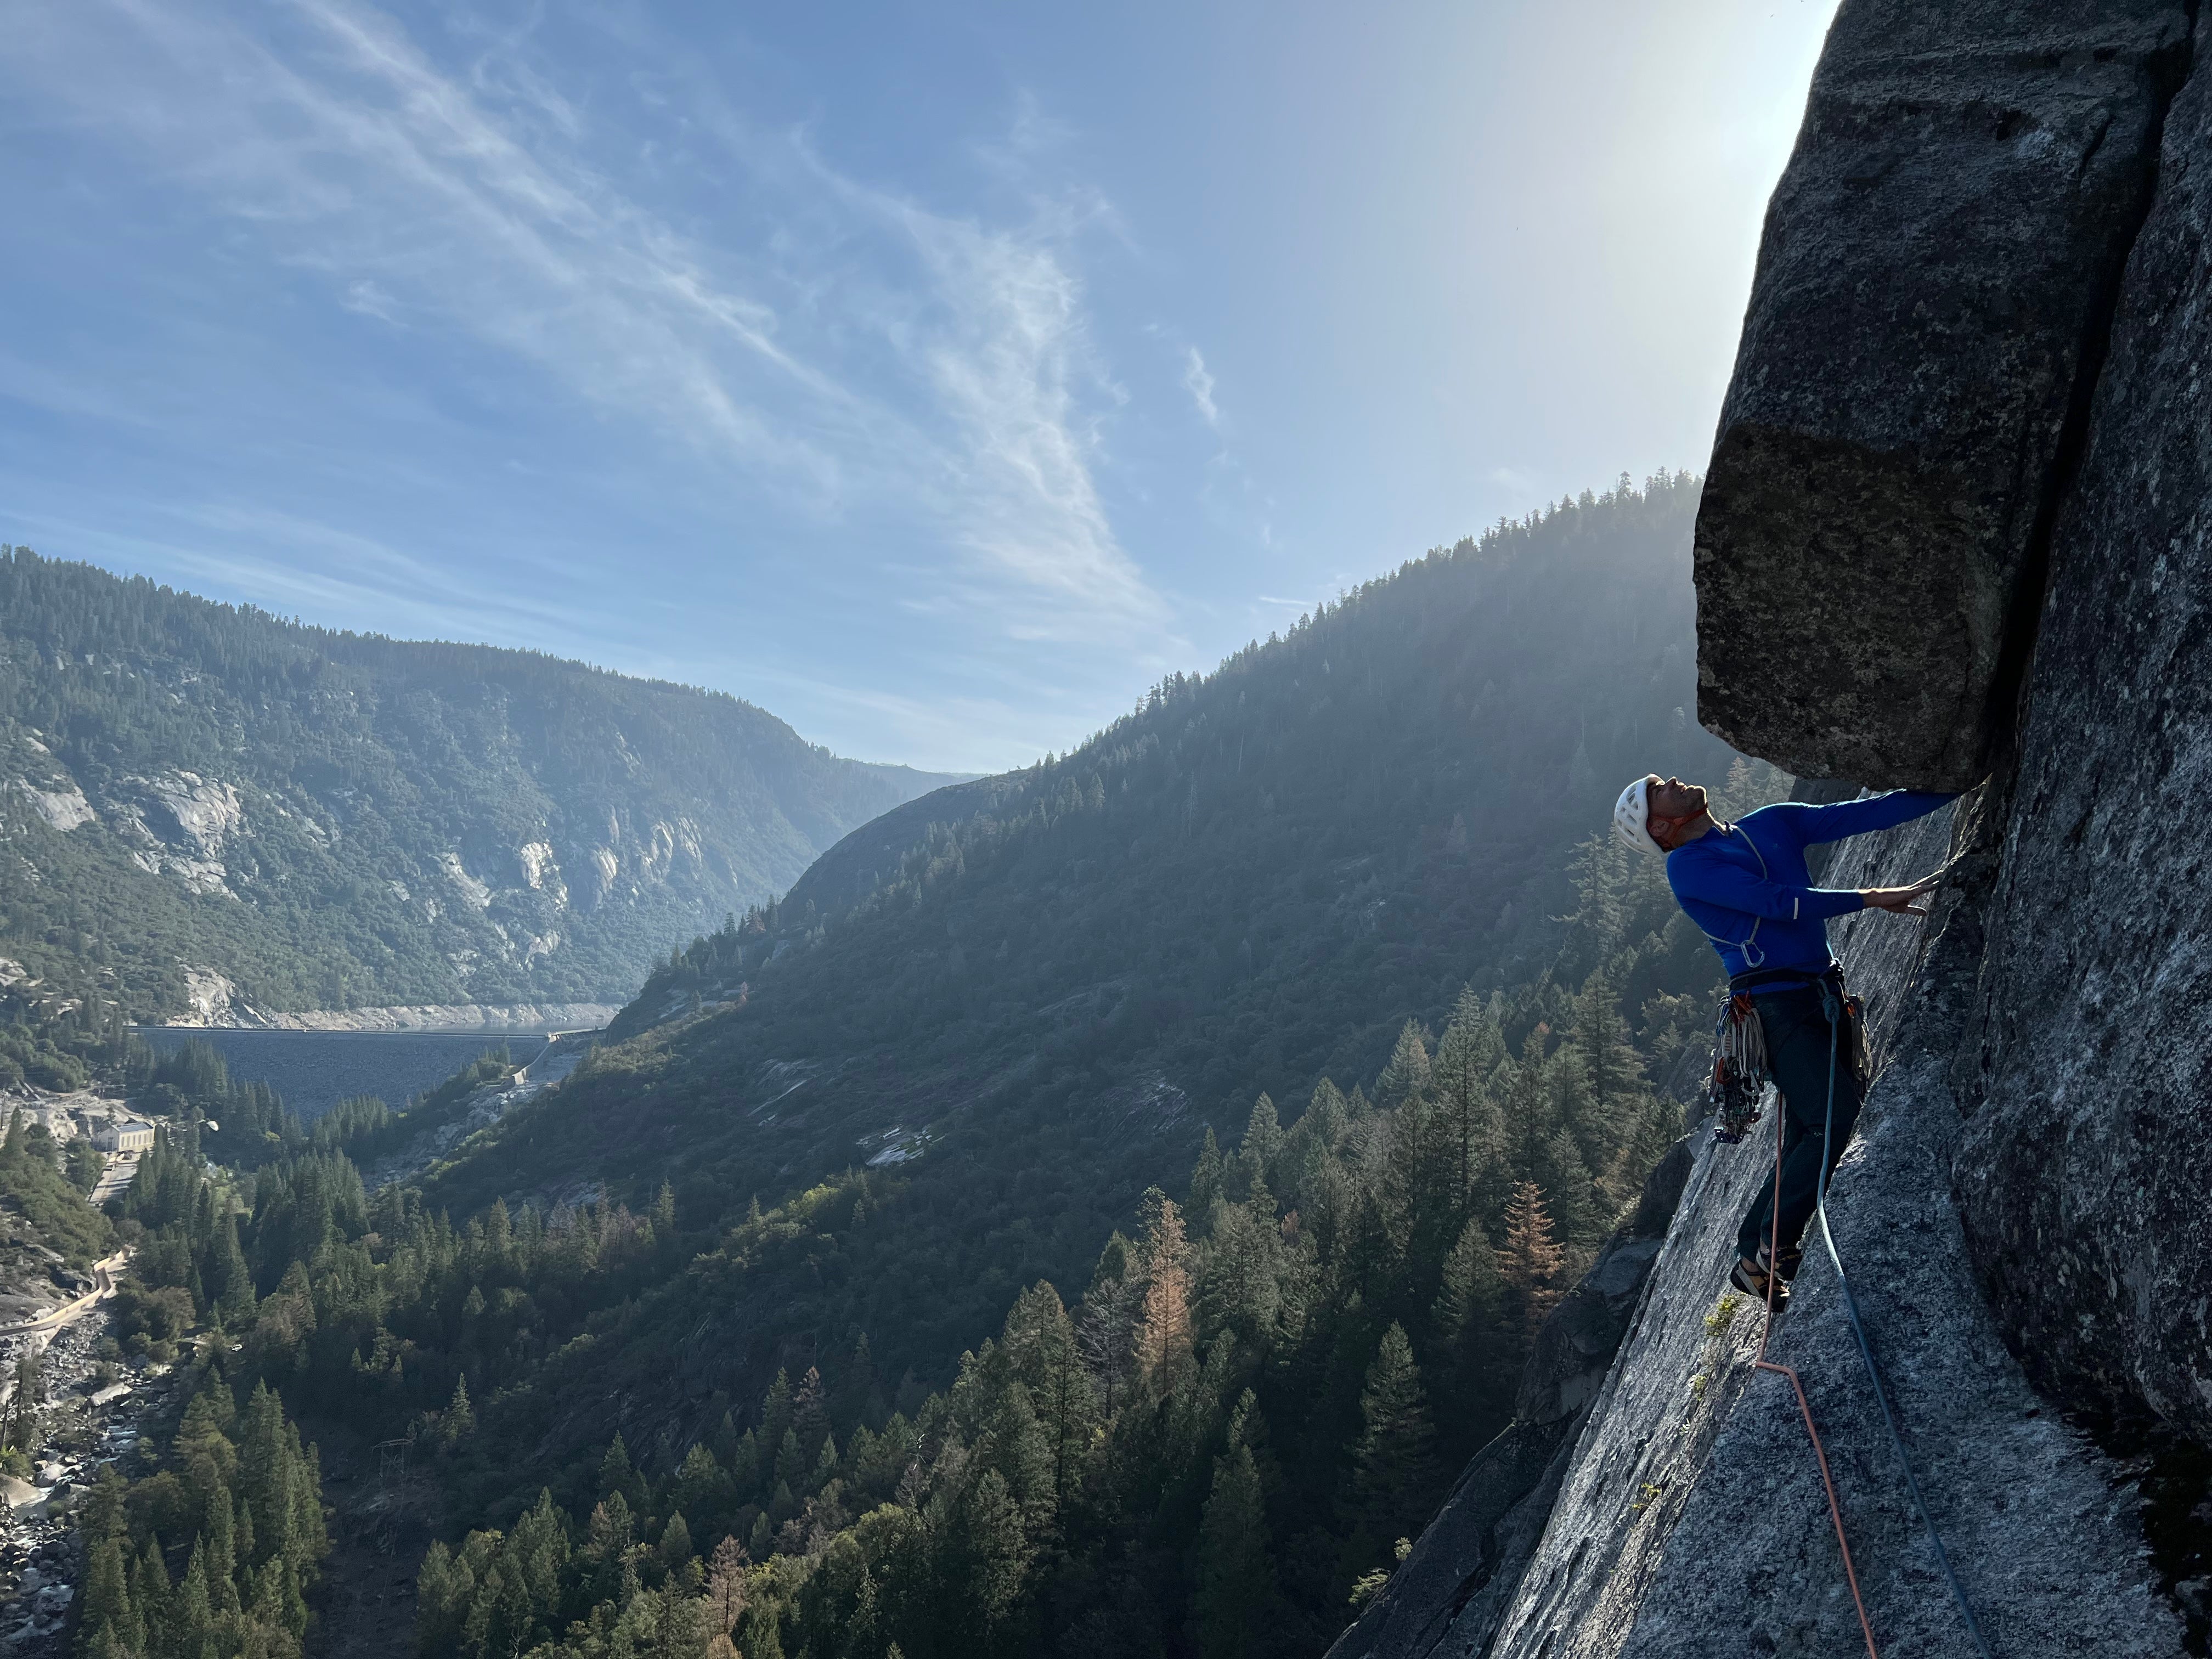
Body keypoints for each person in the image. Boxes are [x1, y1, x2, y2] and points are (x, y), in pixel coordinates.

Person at [1613, 774, 1952, 1301]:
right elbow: (1774, 902)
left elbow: (1865, 814)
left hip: (1818, 992)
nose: (1675, 780)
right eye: (1661, 787)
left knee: (1808, 1130)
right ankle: (1771, 1245)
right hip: (1775, 1007)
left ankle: (1755, 1252)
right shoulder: (1687, 867)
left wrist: (1958, 782)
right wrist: (1870, 898)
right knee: (1834, 1119)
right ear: (1660, 826)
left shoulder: (1772, 821)